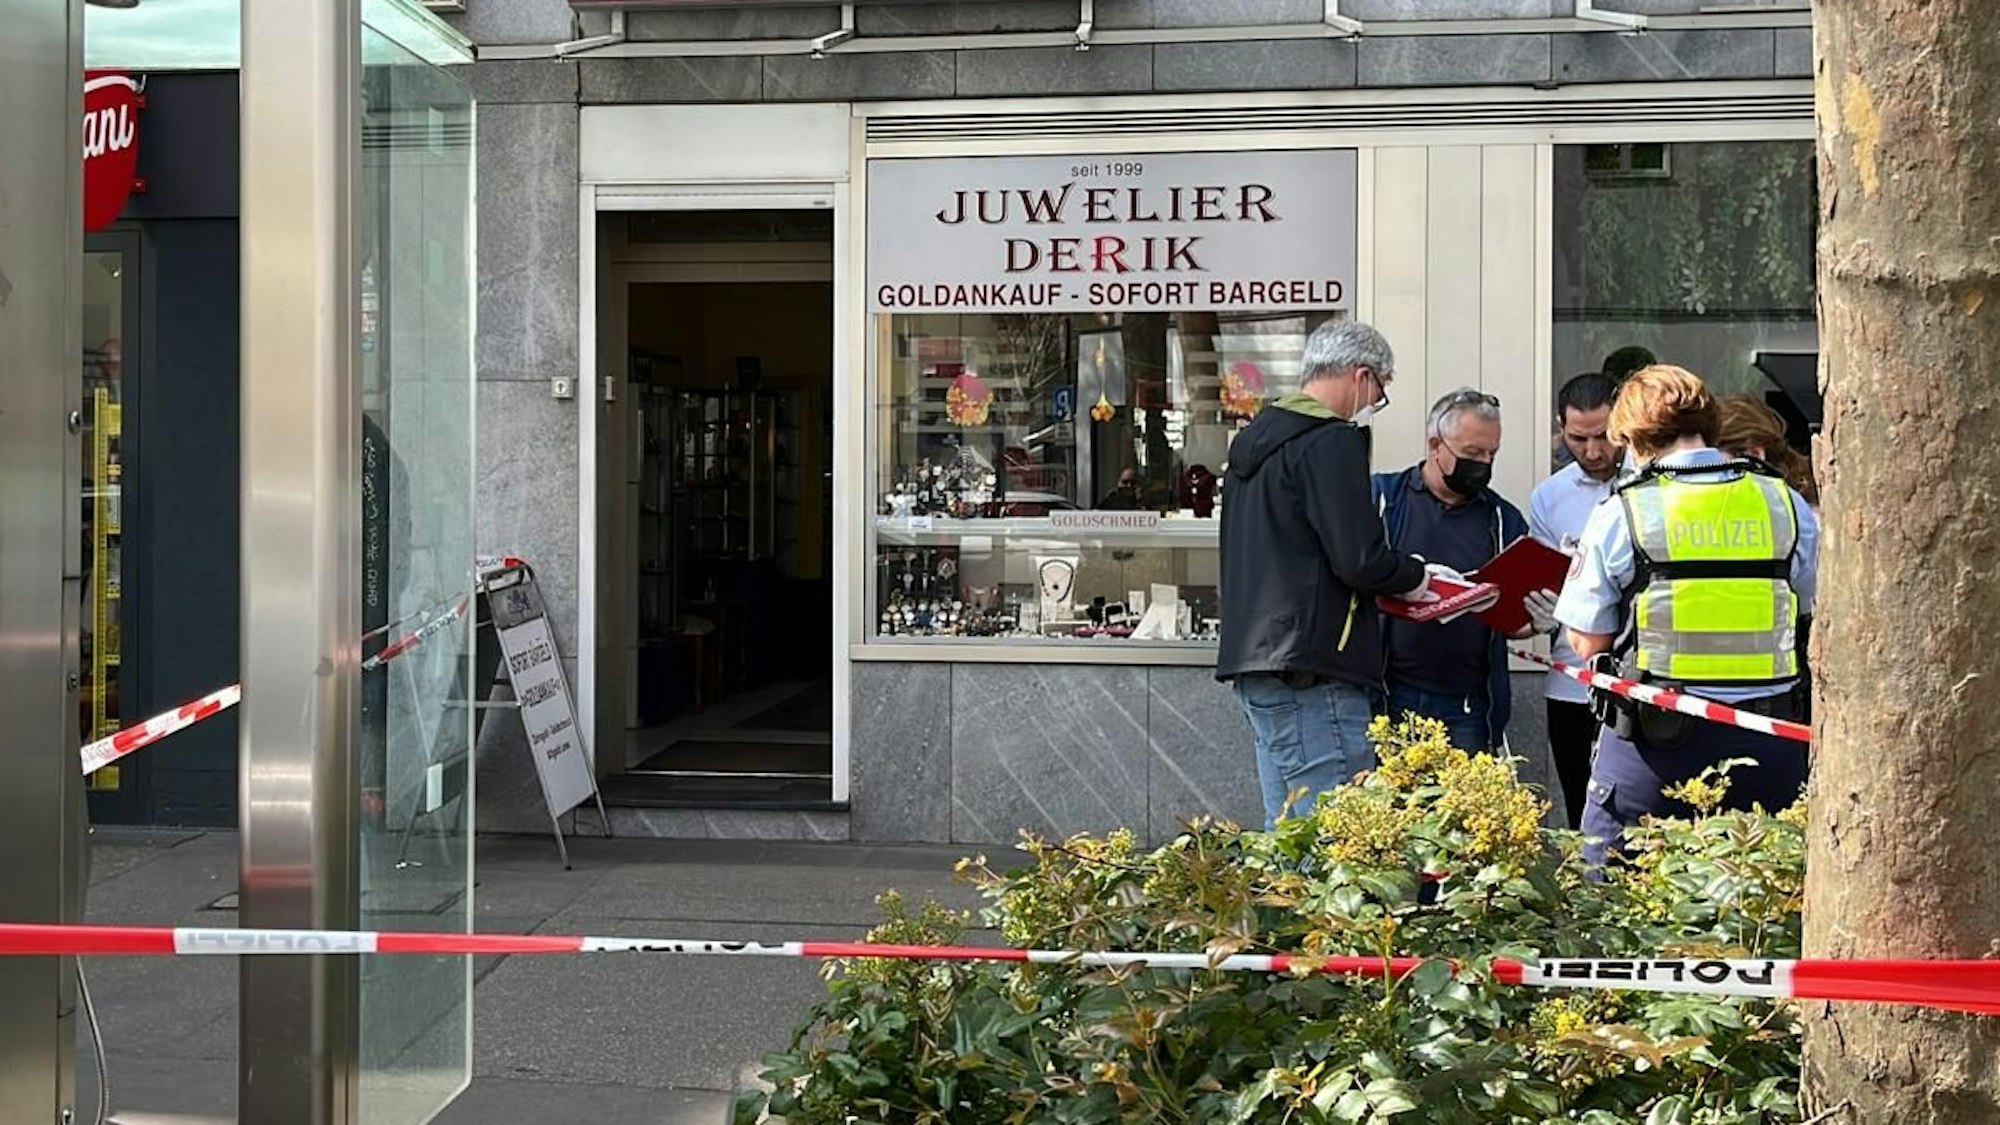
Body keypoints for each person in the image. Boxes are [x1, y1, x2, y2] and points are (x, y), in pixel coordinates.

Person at [1554, 365, 1818, 865]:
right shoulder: (1782, 502)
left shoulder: (1624, 510)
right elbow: (1808, 606)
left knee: (1618, 889)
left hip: (1656, 749)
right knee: (1762, 892)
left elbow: (1587, 642)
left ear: (1634, 440)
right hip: (1770, 740)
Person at [1217, 320, 1440, 828]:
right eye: (1380, 390)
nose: (1375, 403)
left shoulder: (1257, 441)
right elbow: (1360, 558)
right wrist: (1418, 577)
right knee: (1337, 840)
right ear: (1361, 375)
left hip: (1259, 663)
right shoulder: (1330, 441)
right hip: (1315, 668)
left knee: (1288, 840)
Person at [1372, 389, 1553, 753]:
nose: (1483, 464)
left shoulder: (1503, 520)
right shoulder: (1382, 500)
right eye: (1472, 454)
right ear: (1435, 445)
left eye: (1492, 454)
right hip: (1387, 696)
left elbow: (1511, 623)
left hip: (1468, 705)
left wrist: (1537, 619)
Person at [1529, 372, 1623, 828]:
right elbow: (1542, 580)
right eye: (1578, 439)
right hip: (1572, 681)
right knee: (1579, 813)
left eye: (1603, 437)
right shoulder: (1550, 496)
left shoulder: (1649, 483)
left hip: (1641, 677)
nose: (1592, 451)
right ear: (1559, 429)